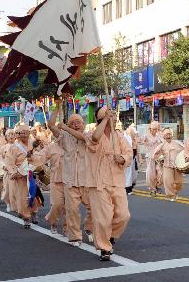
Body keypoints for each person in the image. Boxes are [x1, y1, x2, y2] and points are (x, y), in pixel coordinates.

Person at [84, 106, 132, 261]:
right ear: (99, 119)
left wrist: (123, 159)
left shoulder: (120, 137)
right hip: (99, 182)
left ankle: (110, 236)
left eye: (111, 115)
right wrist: (105, 119)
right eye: (105, 116)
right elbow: (95, 139)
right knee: (103, 218)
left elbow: (129, 154)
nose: (111, 118)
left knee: (123, 215)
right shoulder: (92, 133)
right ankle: (104, 247)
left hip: (117, 180)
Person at [47, 108, 93, 246]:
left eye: (78, 122)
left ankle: (89, 228)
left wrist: (66, 127)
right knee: (72, 211)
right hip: (70, 180)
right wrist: (57, 106)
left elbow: (82, 138)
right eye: (72, 123)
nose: (76, 125)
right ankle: (75, 237)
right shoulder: (63, 138)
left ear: (83, 124)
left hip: (88, 180)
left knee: (94, 208)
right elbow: (51, 125)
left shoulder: (89, 136)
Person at [4, 124, 34, 228]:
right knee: (22, 198)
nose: (25, 135)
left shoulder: (33, 144)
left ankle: (33, 213)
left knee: (34, 196)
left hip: (32, 175)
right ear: (18, 135)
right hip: (20, 176)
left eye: (27, 133)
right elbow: (9, 161)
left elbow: (41, 156)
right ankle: (26, 217)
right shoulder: (14, 147)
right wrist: (14, 171)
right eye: (22, 133)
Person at [157, 128, 185, 201]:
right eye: (166, 134)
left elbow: (185, 151)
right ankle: (171, 195)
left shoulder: (177, 143)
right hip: (167, 166)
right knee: (168, 181)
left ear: (171, 135)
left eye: (169, 134)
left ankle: (175, 191)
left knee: (179, 182)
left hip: (177, 166)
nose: (168, 136)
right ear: (164, 136)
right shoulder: (161, 145)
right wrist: (160, 159)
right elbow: (156, 154)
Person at [141, 121, 164, 196]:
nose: (154, 130)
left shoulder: (159, 135)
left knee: (160, 172)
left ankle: (158, 185)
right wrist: (144, 142)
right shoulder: (146, 135)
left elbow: (163, 143)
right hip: (150, 157)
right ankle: (152, 189)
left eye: (155, 129)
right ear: (150, 128)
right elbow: (140, 141)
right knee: (151, 173)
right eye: (152, 129)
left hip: (158, 157)